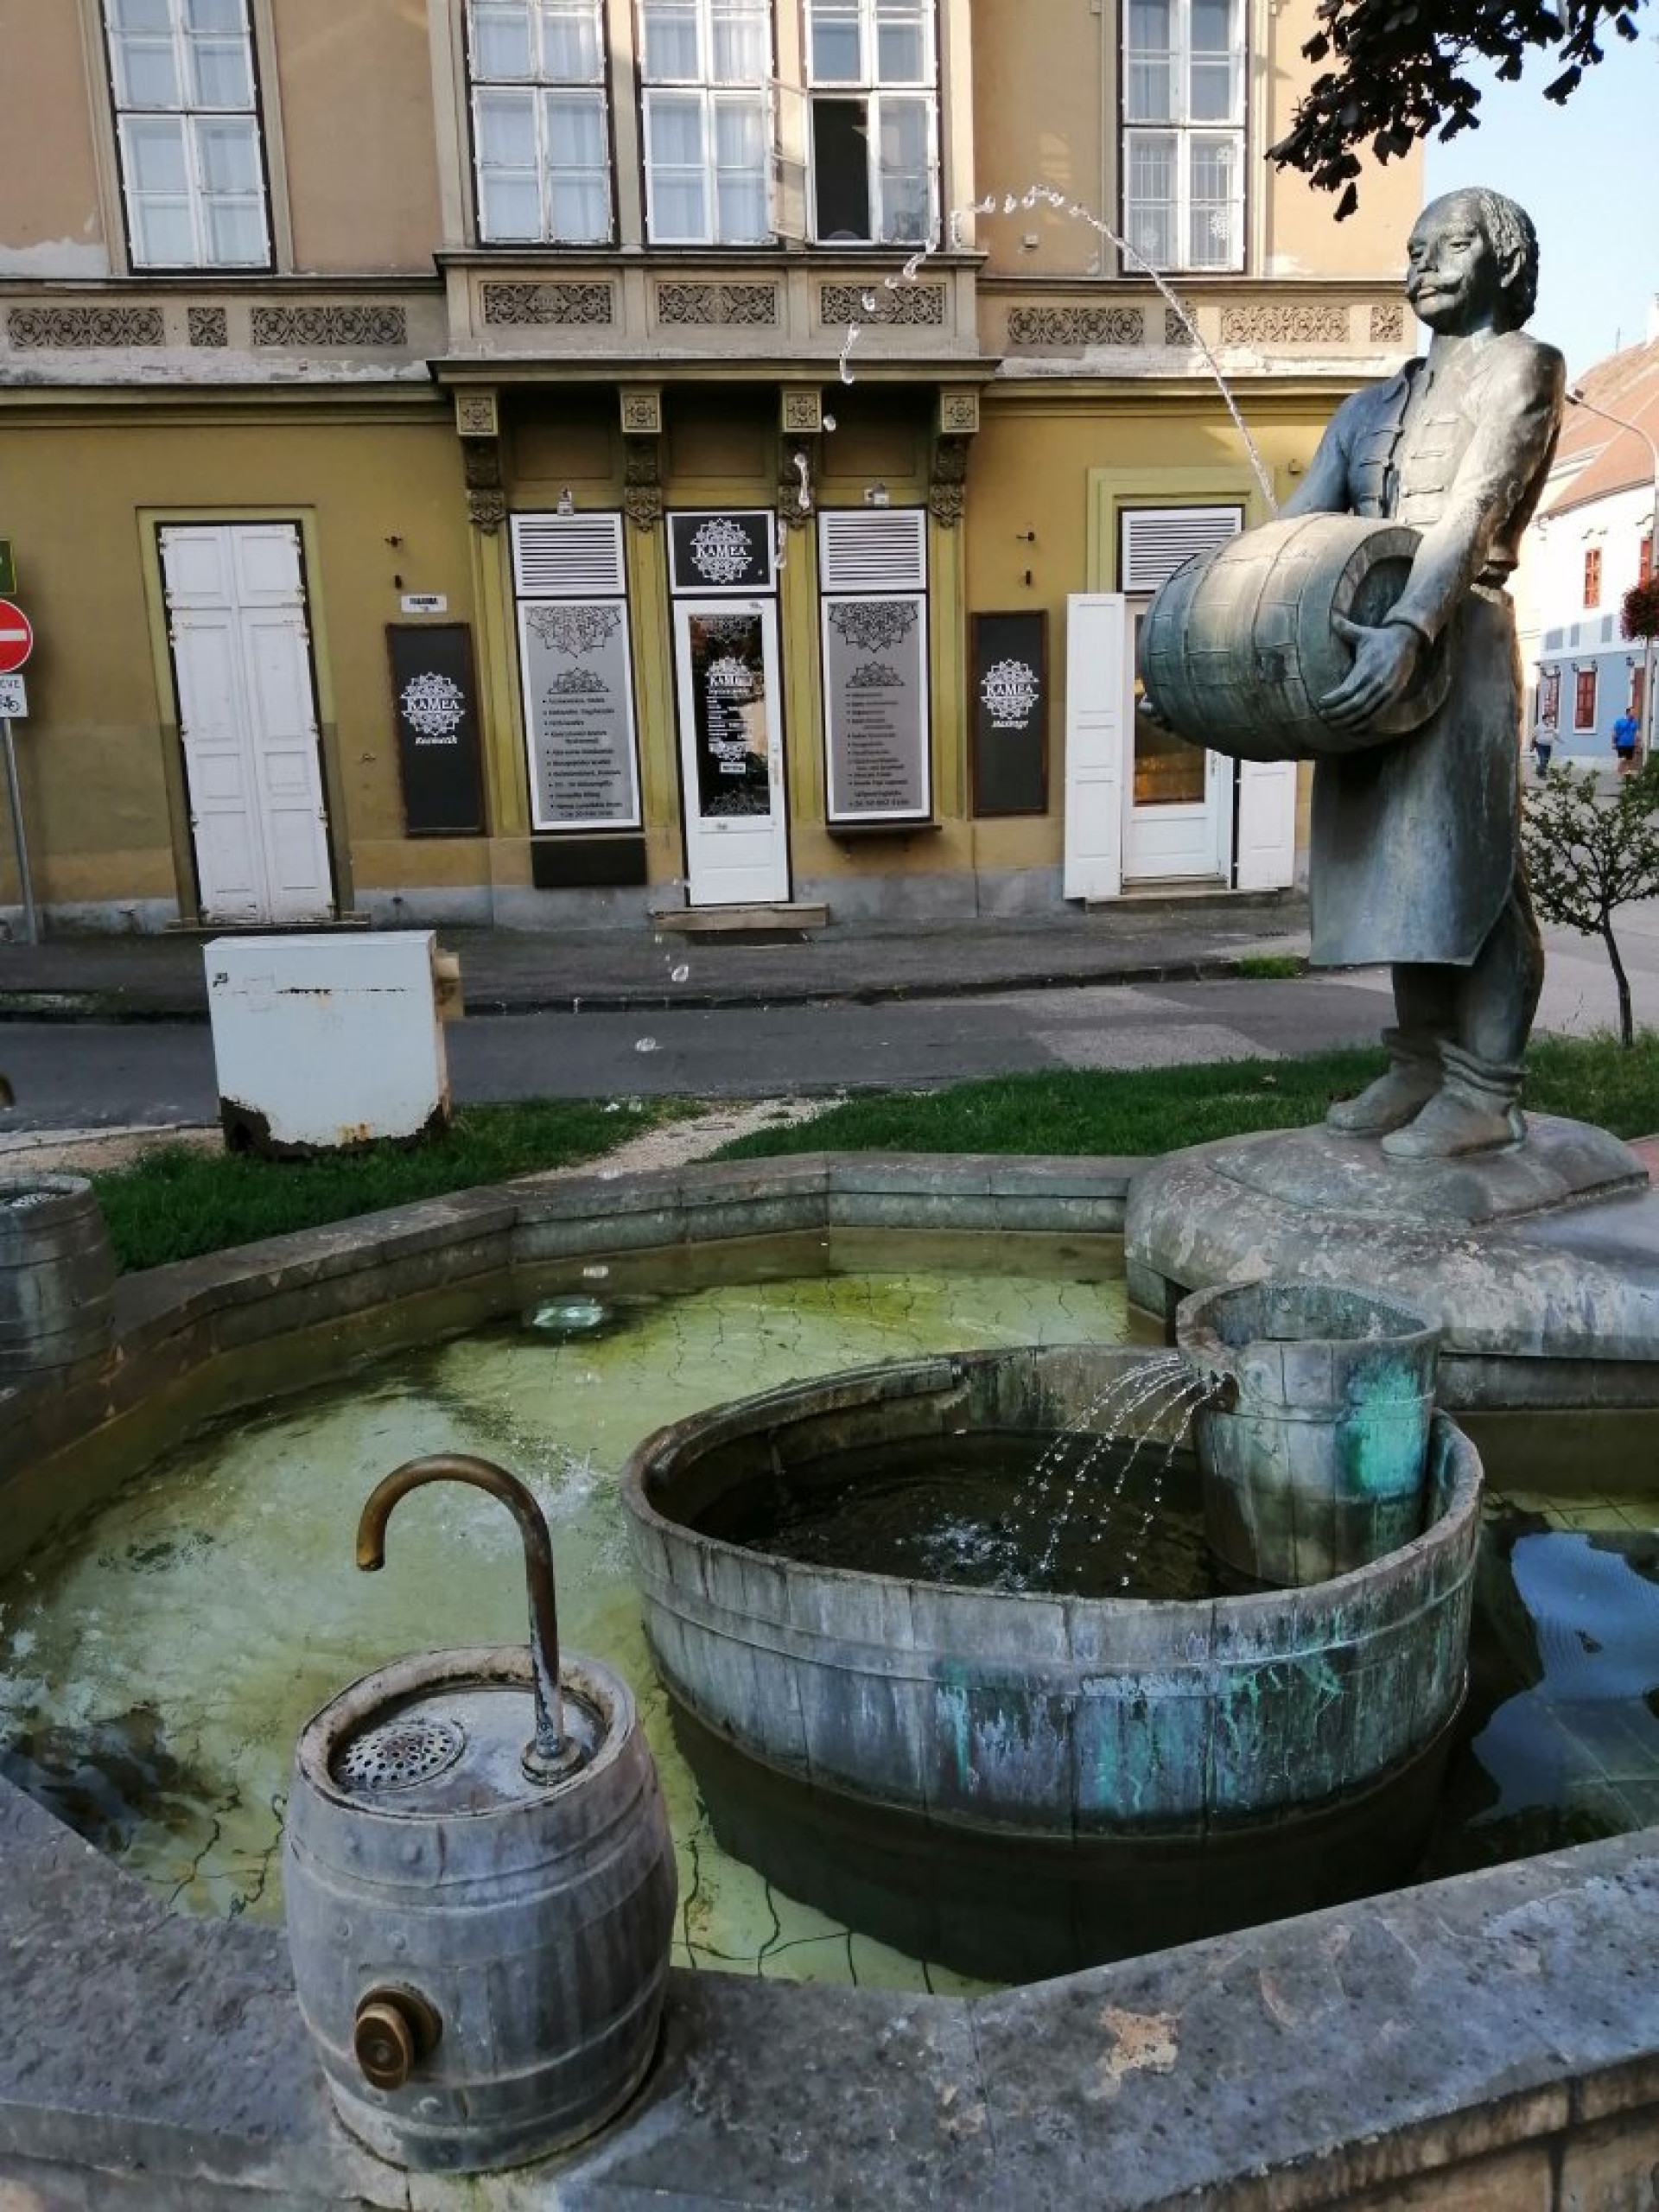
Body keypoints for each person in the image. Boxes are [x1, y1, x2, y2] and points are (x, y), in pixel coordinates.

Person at [1280, 188, 1564, 1159]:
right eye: (1413, 249)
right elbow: (1299, 528)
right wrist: (1220, 609)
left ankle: (1485, 1088)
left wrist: (1411, 626)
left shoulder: (1523, 367)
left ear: (1502, 260)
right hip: (1371, 646)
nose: (1422, 263)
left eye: (1449, 245)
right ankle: (1420, 1063)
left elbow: (1474, 511)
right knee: (1398, 868)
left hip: (1460, 634)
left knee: (1471, 863)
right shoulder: (1368, 407)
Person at [1612, 707, 1640, 774]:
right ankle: (1620, 772)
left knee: (1629, 760)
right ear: (1628, 713)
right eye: (1632, 712)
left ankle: (1626, 774)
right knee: (1622, 759)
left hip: (1631, 744)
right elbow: (1615, 733)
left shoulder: (1635, 722)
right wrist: (1614, 743)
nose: (1634, 713)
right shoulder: (1619, 721)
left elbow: (1636, 734)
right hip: (1621, 744)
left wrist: (1637, 744)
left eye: (1634, 712)